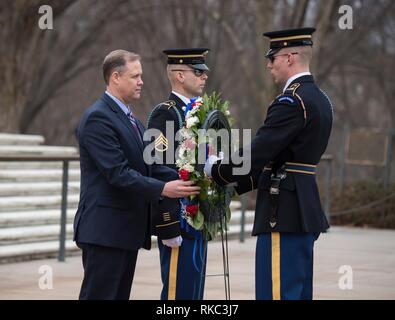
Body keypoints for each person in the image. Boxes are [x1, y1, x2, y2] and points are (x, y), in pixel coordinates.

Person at [205, 28, 333, 300]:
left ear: (289, 57)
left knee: (275, 293)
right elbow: (281, 159)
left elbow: (259, 152)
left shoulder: (291, 101)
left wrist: (217, 169)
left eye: (272, 58)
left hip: (283, 211)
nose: (268, 64)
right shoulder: (322, 101)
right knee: (297, 293)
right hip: (303, 208)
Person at [73, 50, 200, 300]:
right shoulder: (98, 118)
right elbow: (118, 173)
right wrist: (163, 189)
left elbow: (149, 165)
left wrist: (192, 175)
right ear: (116, 77)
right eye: (135, 76)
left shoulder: (130, 118)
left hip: (124, 231)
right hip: (105, 232)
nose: (141, 81)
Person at [147, 48, 210, 300]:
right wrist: (168, 223)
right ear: (180, 75)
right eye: (198, 72)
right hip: (179, 216)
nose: (205, 76)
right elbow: (157, 166)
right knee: (177, 290)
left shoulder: (202, 111)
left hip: (199, 213)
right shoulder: (165, 112)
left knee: (194, 289)